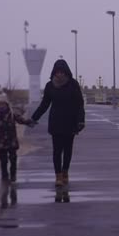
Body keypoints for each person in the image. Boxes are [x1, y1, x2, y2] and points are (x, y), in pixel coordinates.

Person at [31, 59, 85, 187]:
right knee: (56, 151)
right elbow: (44, 105)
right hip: (56, 123)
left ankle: (65, 171)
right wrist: (34, 118)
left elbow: (79, 104)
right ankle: (58, 176)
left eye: (62, 72)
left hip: (70, 122)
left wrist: (81, 120)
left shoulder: (73, 84)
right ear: (54, 72)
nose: (59, 74)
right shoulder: (50, 86)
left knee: (67, 151)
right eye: (57, 72)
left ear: (66, 72)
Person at [0, 89, 34, 183]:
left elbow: (20, 119)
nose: (1, 106)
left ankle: (13, 175)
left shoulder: (11, 113)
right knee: (3, 161)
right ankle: (5, 177)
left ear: (6, 104)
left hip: (12, 141)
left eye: (3, 104)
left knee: (13, 159)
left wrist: (28, 122)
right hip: (1, 143)